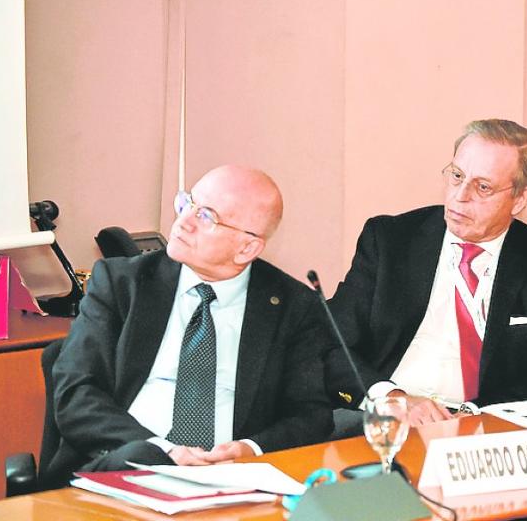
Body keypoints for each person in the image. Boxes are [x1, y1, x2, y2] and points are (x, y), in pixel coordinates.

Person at [48, 165, 332, 484]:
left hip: (229, 484)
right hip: (123, 467)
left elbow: (310, 415)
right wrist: (160, 452)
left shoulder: (294, 307)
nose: (183, 222)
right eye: (187, 203)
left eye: (206, 216)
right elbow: (76, 391)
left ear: (247, 247)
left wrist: (251, 449)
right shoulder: (121, 283)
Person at [327, 119, 527, 429]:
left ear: (521, 198)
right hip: (385, 419)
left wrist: (477, 415)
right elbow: (332, 343)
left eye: (483, 187)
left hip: (479, 428)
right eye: (457, 176)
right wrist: (392, 398)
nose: (460, 196)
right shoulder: (390, 241)